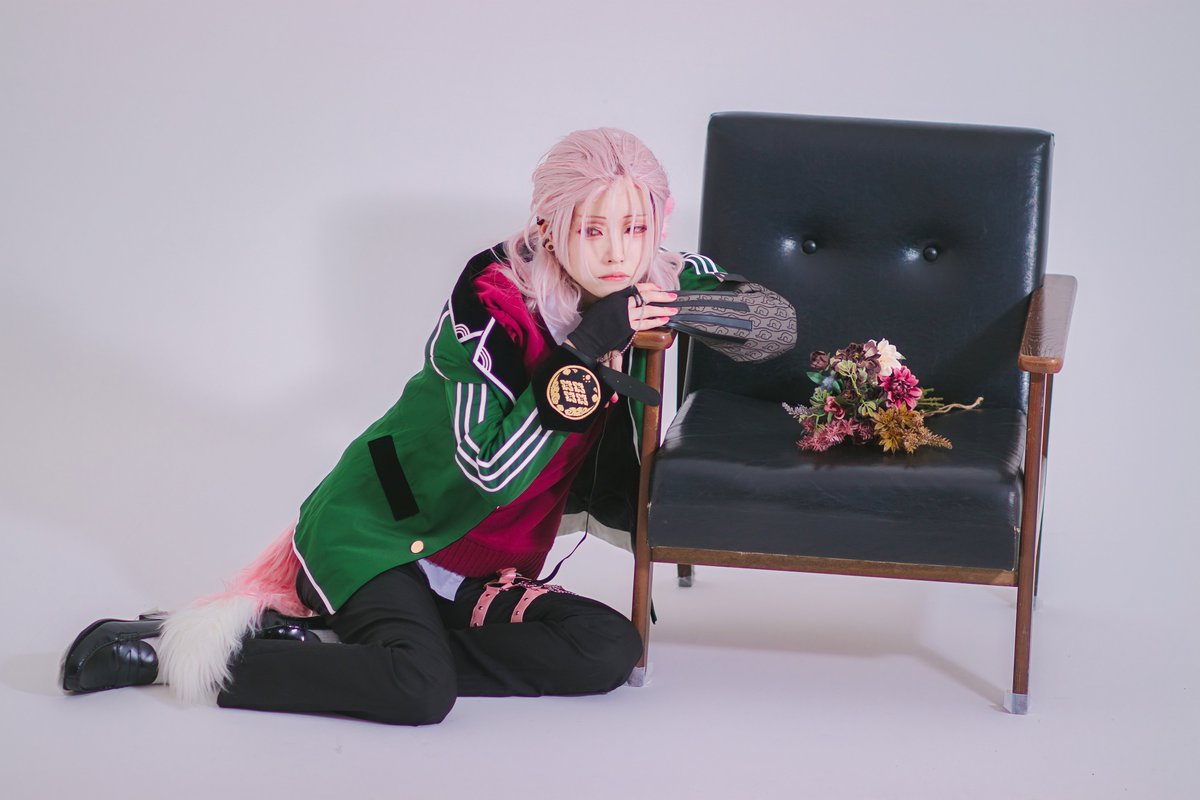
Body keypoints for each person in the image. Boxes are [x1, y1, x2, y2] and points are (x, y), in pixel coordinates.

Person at [61, 128, 755, 725]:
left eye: (635, 229)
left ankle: (355, 651)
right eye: (592, 229)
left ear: (658, 224)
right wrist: (583, 350)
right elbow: (489, 471)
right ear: (549, 227)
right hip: (383, 536)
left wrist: (676, 305)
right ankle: (183, 655)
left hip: (478, 573)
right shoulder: (493, 297)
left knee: (608, 650)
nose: (618, 255)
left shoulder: (652, 276)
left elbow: (767, 324)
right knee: (421, 692)